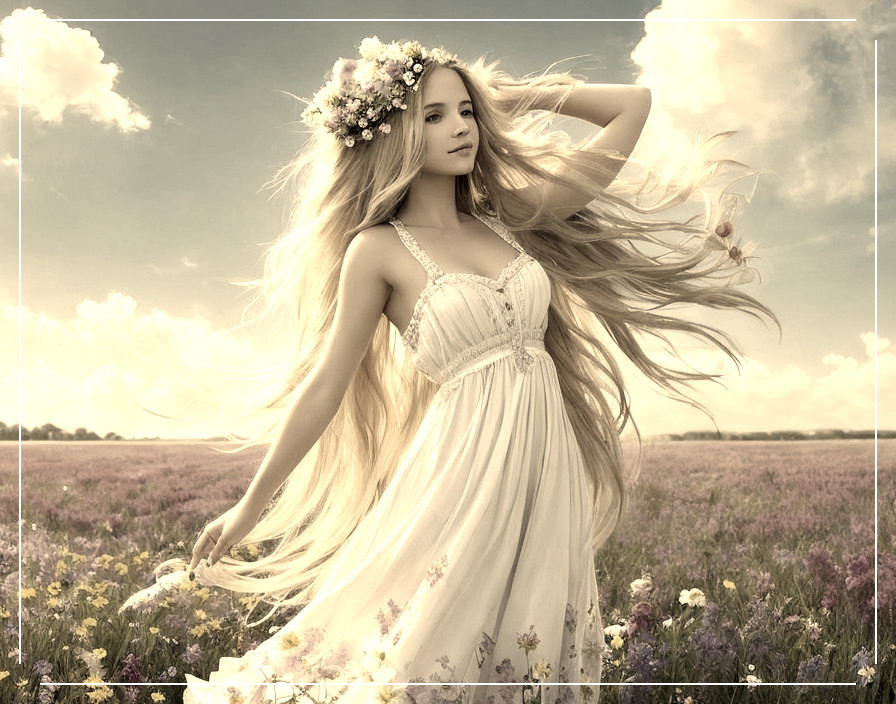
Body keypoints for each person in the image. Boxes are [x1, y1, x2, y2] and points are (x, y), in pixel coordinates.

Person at [132, 37, 772, 703]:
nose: (461, 127)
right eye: (434, 115)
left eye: (464, 111)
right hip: (462, 470)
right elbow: (325, 386)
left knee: (526, 650)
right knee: (421, 650)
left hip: (542, 468)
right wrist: (246, 508)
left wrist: (504, 96)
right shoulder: (376, 250)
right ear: (391, 133)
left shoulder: (513, 220)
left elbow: (631, 107)